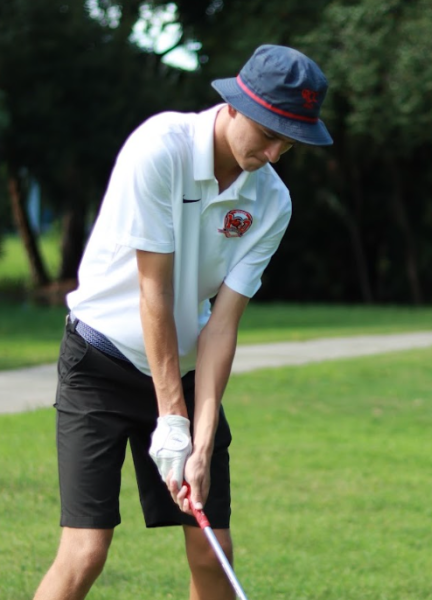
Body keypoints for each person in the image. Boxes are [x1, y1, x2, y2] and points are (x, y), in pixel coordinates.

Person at [33, 44, 332, 600]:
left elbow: (222, 324)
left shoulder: (273, 202)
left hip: (185, 366)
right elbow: (156, 290)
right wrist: (171, 418)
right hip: (99, 363)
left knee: (212, 550)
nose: (274, 151)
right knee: (86, 551)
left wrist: (200, 435)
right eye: (268, 132)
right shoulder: (160, 149)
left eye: (289, 141)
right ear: (237, 105)